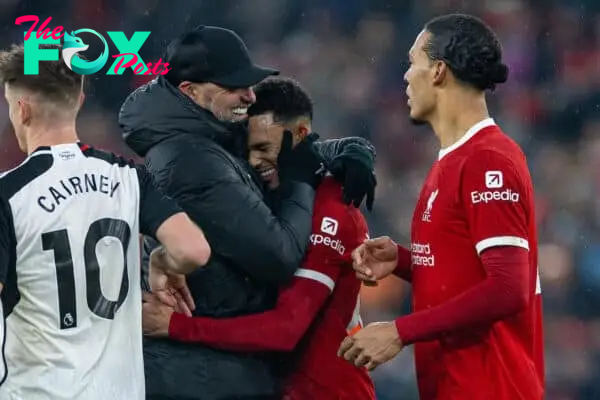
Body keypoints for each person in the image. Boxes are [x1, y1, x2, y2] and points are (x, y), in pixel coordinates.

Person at [119, 26, 377, 399]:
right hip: (199, 379)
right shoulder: (193, 160)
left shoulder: (212, 134)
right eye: (234, 86)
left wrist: (350, 149)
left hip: (214, 371)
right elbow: (279, 255)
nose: (249, 95)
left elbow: (277, 144)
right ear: (191, 91)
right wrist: (300, 178)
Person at [338, 13, 544, 400]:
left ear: (438, 72)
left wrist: (401, 331)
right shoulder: (452, 159)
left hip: (493, 387)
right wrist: (400, 260)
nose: (405, 76)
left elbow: (507, 288)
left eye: (413, 62)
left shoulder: (488, 159)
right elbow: (470, 277)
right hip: (454, 385)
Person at [0, 44, 211, 400]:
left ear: (22, 110)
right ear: (79, 102)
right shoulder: (128, 177)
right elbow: (194, 250)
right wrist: (159, 259)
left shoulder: (9, 194)